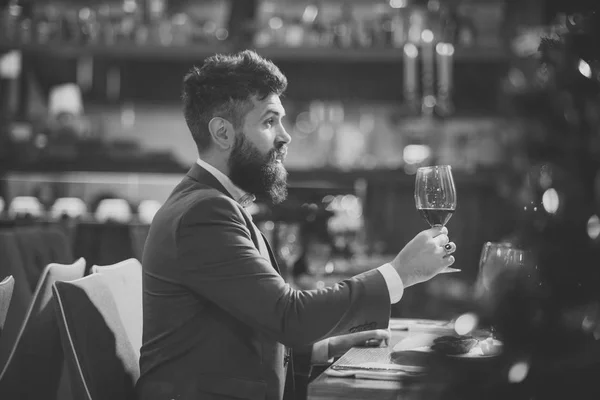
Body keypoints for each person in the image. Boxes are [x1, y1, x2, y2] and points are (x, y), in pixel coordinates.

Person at [136, 50, 456, 400]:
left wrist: (321, 349)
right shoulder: (204, 212)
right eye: (269, 122)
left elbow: (246, 324)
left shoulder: (211, 202)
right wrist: (399, 273)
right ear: (223, 133)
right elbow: (289, 315)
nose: (285, 137)